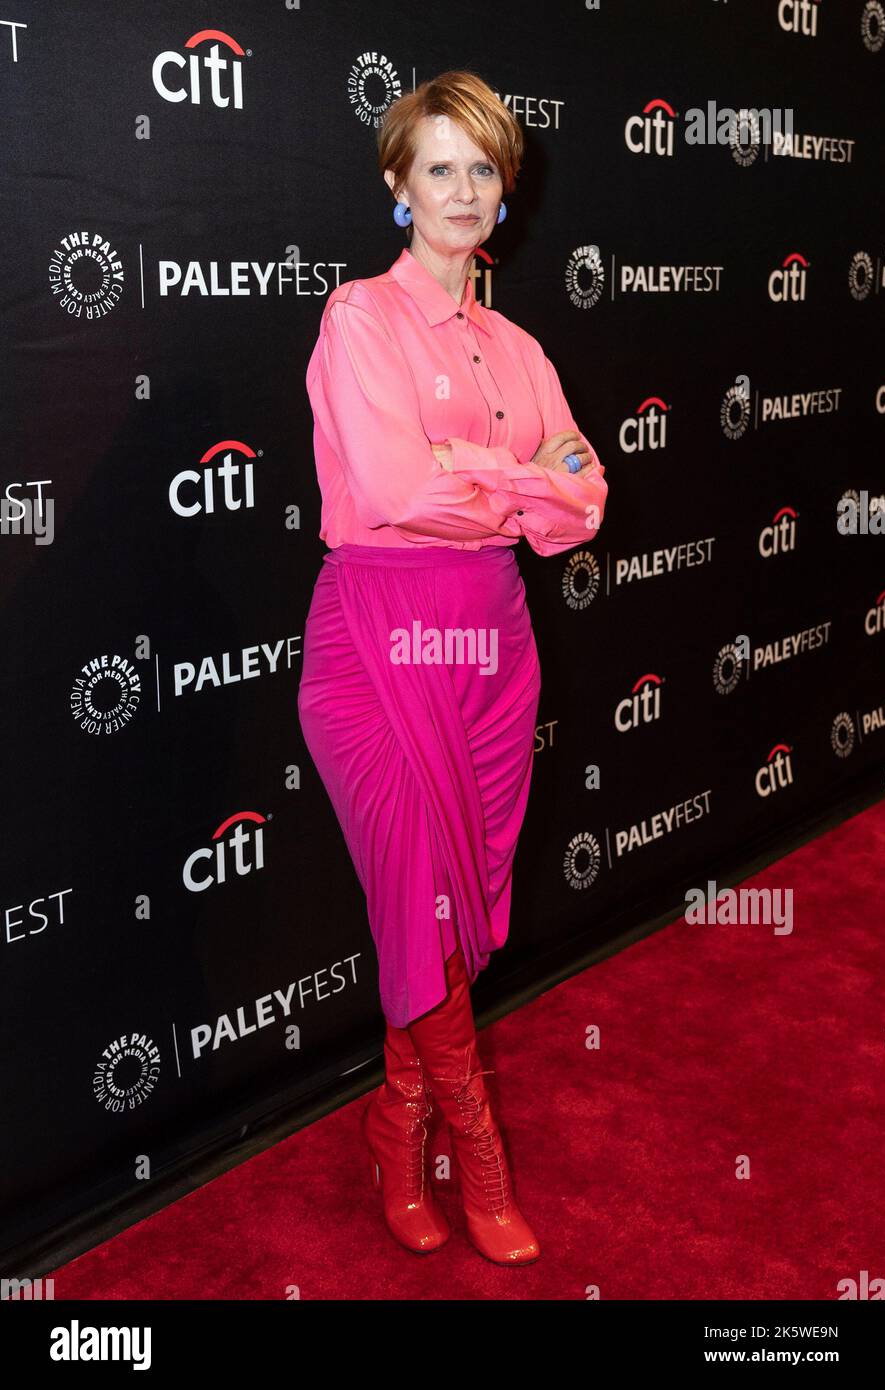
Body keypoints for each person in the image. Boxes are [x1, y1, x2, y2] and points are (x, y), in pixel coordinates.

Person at [297, 69, 608, 1267]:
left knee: (453, 912)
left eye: (483, 166)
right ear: (398, 185)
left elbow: (581, 501)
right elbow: (386, 492)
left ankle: (393, 1122)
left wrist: (487, 475)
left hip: (493, 653)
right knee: (420, 895)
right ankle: (478, 1159)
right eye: (441, 166)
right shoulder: (357, 319)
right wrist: (521, 478)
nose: (466, 188)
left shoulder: (521, 345)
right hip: (375, 648)